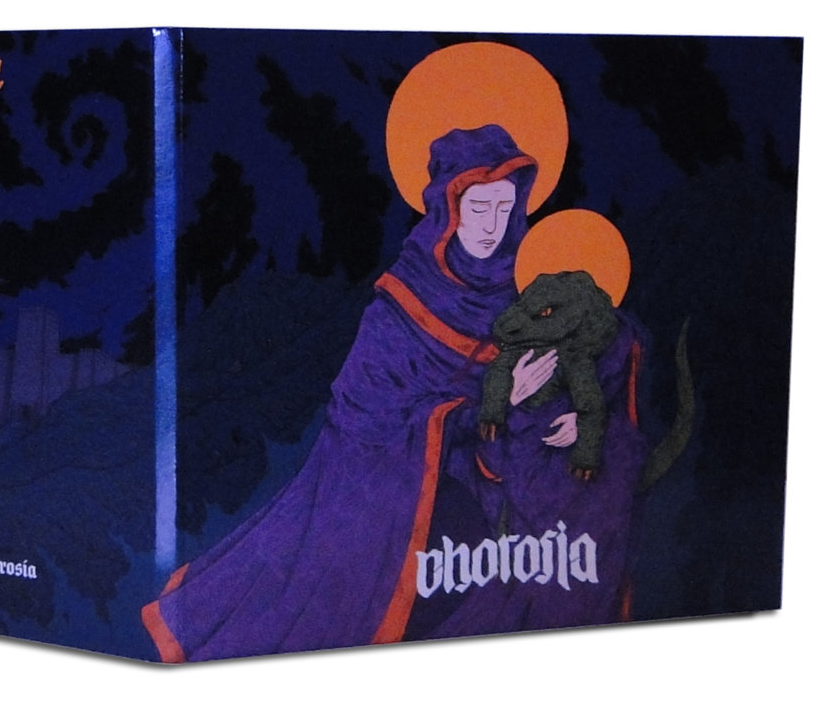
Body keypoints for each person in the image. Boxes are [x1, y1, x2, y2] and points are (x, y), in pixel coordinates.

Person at [142, 124, 645, 661]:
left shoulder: (530, 280)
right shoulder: (403, 302)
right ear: (448, 206)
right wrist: (489, 406)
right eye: (478, 207)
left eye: (504, 208)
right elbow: (365, 418)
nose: (491, 225)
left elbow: (593, 346)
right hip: (415, 483)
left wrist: (581, 414)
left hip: (509, 459)